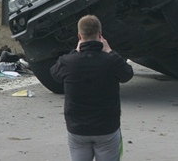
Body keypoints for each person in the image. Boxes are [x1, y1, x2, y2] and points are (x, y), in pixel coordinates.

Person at [50, 15, 134, 161]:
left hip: (77, 129)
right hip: (107, 128)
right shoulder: (111, 61)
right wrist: (110, 51)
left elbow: (54, 74)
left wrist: (75, 52)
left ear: (79, 36)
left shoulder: (68, 62)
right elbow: (127, 74)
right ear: (100, 34)